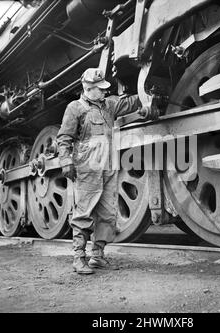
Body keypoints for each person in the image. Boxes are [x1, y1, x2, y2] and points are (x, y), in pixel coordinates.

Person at [57, 68, 152, 274]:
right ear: (88, 88)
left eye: (103, 89)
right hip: (88, 168)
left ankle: (97, 255)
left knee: (108, 213)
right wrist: (66, 161)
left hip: (108, 168)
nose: (103, 92)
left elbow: (129, 102)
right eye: (99, 89)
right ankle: (79, 257)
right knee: (84, 213)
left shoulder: (109, 105)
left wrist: (149, 91)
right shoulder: (75, 108)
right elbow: (64, 138)